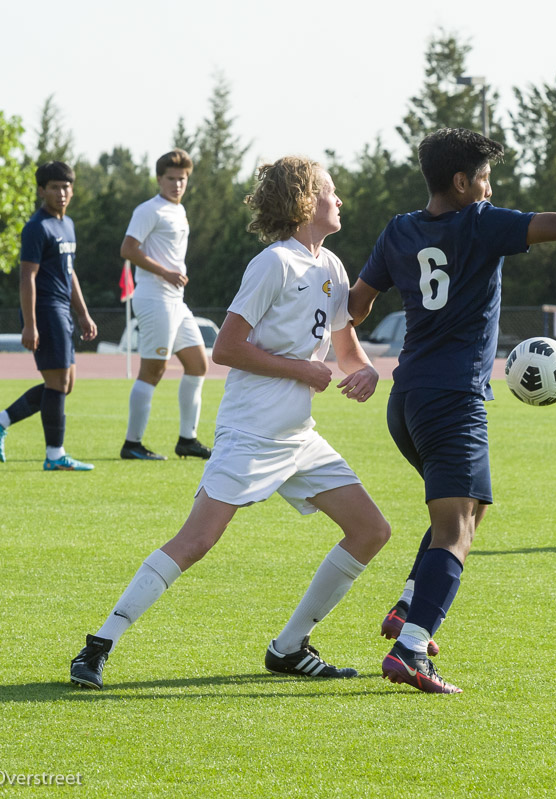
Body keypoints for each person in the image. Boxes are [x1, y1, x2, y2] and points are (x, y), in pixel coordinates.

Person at [349, 106, 556, 693]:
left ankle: (409, 604)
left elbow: (359, 303)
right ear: (462, 183)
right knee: (456, 529)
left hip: (408, 396)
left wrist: (353, 351)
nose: (491, 187)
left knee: (469, 510)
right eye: (486, 177)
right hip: (452, 398)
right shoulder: (480, 222)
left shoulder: (398, 230)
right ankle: (411, 650)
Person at [69, 156, 389, 689]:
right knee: (195, 542)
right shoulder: (274, 263)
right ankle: (98, 645)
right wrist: (301, 370)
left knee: (370, 530)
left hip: (297, 436)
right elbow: (225, 348)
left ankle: (288, 648)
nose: (340, 201)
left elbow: (346, 349)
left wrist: (368, 372)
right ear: (306, 200)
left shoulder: (331, 268)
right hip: (250, 432)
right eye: (331, 192)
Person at [0, 161, 98, 471]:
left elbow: (69, 273)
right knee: (58, 383)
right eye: (55, 187)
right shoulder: (37, 227)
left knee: (64, 383)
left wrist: (83, 314)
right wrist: (30, 324)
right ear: (41, 190)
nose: (62, 193)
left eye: (66, 187)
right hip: (45, 310)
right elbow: (27, 278)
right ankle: (55, 455)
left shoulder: (68, 224)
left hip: (63, 309)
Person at [119, 148, 211, 461]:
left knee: (199, 365)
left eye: (181, 179)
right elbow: (128, 249)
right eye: (170, 179)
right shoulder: (149, 210)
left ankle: (188, 439)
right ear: (159, 179)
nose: (176, 184)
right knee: (153, 370)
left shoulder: (179, 210)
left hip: (176, 300)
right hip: (154, 296)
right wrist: (165, 272)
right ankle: (132, 444)